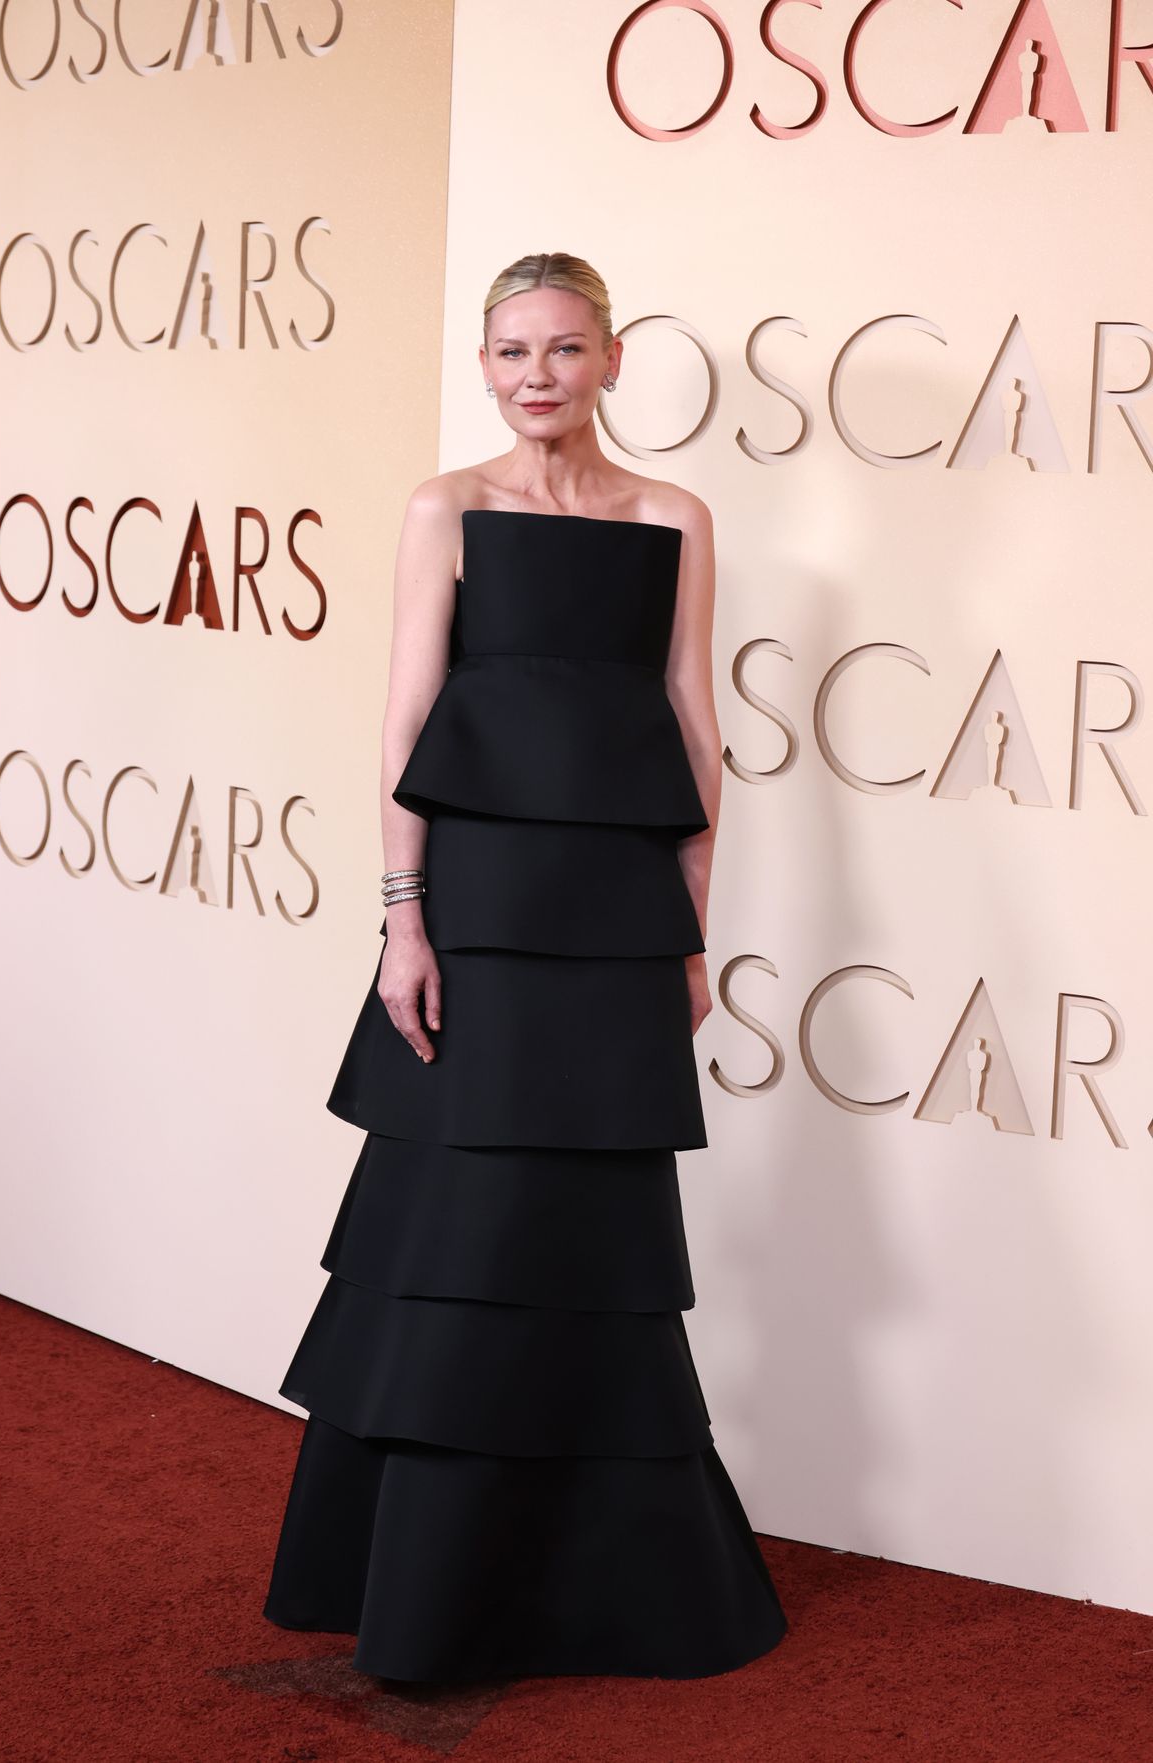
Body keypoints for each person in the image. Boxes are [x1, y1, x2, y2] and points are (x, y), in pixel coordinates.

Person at [262, 251, 789, 1683]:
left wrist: (689, 917)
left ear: (611, 359)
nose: (535, 375)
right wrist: (403, 918)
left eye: (562, 348)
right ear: (485, 364)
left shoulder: (675, 518)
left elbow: (692, 721)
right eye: (509, 352)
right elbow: (404, 724)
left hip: (617, 916)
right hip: (480, 913)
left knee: (592, 1233)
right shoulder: (448, 510)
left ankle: (603, 1587)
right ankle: (424, 1581)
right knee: (462, 1217)